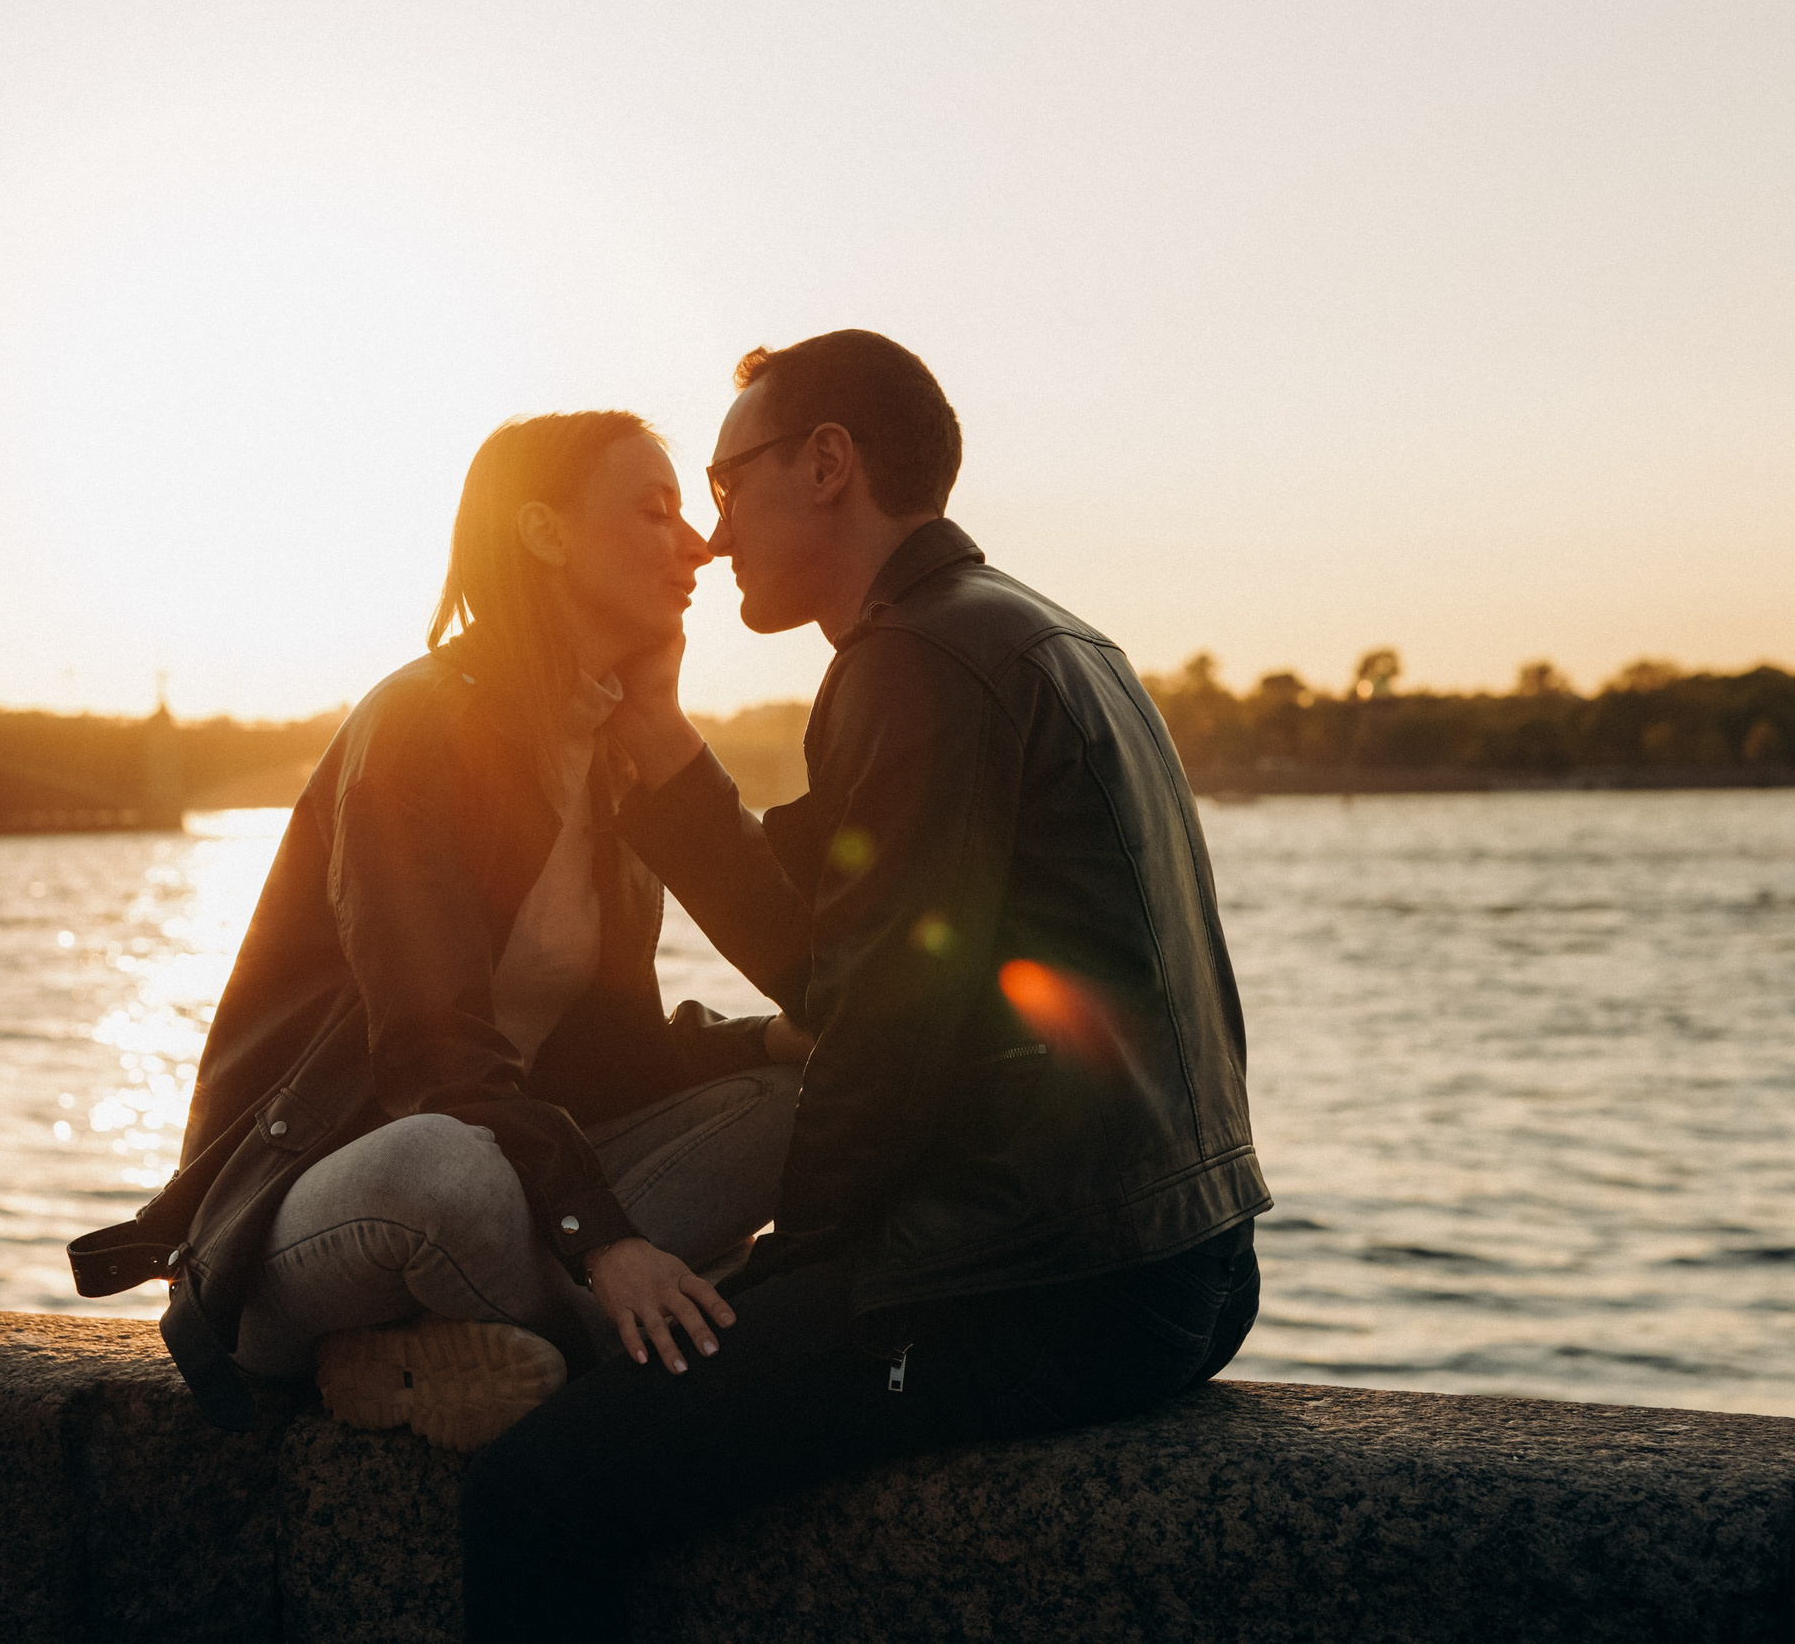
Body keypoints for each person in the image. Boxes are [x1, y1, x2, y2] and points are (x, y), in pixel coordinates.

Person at [459, 331, 1272, 1639]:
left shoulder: (914, 666)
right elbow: (832, 932)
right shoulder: (1030, 632)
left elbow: (885, 1025)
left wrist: (802, 1287)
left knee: (531, 1492)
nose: (711, 539)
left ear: (827, 464)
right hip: (1179, 1258)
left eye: (725, 485)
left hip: (1042, 1279)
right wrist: (662, 739)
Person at [69, 409, 811, 1449]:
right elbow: (432, 1049)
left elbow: (630, 1052)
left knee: (803, 1098)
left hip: (521, 1201)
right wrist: (608, 1243)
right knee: (443, 1167)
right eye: (654, 511)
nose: (697, 546)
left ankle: (451, 1360)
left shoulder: (610, 751)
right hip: (331, 1203)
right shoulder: (419, 727)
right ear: (544, 532)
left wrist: (662, 732)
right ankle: (610, 1351)